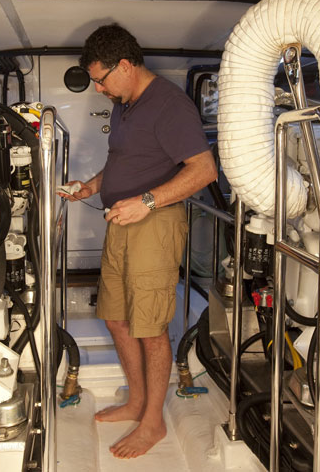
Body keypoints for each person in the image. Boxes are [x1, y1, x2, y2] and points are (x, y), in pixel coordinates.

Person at [61, 24, 217, 459]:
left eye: (101, 79)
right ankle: (136, 401)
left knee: (150, 327)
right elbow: (123, 161)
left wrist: (146, 202)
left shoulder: (169, 105)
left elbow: (204, 170)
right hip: (122, 221)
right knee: (116, 319)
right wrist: (91, 187)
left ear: (126, 66)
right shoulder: (125, 104)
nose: (98, 88)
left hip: (154, 223)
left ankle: (153, 422)